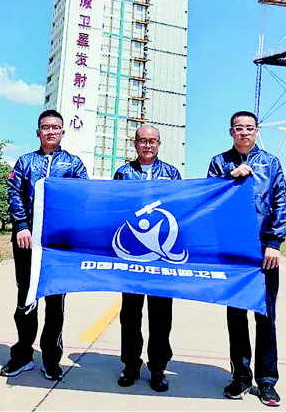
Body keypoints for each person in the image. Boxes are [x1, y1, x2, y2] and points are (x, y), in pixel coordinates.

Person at [207, 111, 286, 407]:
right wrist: (230, 177)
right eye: (239, 128)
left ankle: (267, 381)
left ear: (256, 131)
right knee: (236, 315)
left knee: (266, 315)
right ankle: (240, 376)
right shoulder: (219, 162)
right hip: (233, 250)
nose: (244, 132)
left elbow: (280, 201)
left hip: (263, 250)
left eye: (250, 128)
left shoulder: (271, 163)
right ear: (231, 132)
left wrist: (274, 242)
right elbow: (209, 197)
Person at [0, 110, 88, 379]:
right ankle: (22, 354)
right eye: (46, 127)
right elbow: (14, 193)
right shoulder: (25, 162)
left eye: (56, 127)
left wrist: (67, 232)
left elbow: (81, 198)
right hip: (27, 241)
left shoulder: (73, 164)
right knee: (26, 298)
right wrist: (21, 226)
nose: (51, 131)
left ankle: (51, 358)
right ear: (38, 132)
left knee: (55, 302)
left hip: (58, 244)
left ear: (63, 132)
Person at [113, 125, 182, 393]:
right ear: (135, 144)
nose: (147, 146)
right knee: (130, 313)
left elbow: (179, 208)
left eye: (152, 141)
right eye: (142, 141)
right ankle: (130, 364)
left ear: (159, 144)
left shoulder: (172, 173)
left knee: (161, 314)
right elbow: (115, 208)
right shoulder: (124, 173)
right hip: (132, 253)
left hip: (162, 255)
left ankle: (158, 367)